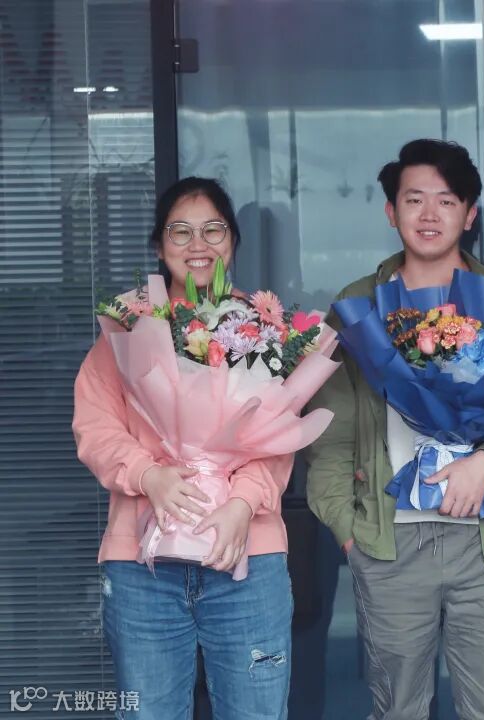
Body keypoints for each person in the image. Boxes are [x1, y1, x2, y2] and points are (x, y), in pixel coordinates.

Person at [304, 139, 484, 720]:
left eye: (446, 201)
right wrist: (349, 532)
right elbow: (329, 429)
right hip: (388, 540)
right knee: (397, 711)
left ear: (469, 214)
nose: (428, 214)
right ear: (390, 211)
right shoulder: (357, 305)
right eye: (413, 199)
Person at [73, 177, 293, 719]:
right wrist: (147, 475)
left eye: (213, 229)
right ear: (158, 244)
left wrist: (242, 503)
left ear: (232, 241)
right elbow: (95, 425)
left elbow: (279, 435)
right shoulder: (127, 324)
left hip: (247, 556)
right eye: (181, 231)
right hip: (142, 565)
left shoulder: (261, 328)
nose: (198, 244)